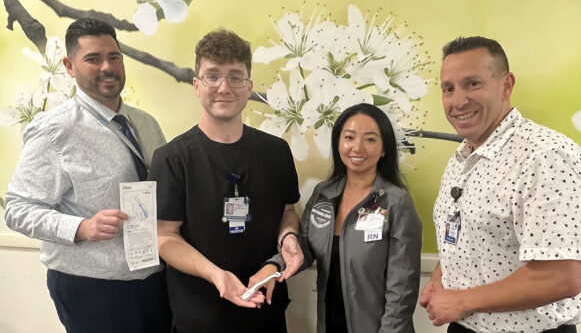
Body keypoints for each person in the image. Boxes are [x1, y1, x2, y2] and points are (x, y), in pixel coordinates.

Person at [419, 36, 581, 333]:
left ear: (506, 85)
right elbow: (470, 234)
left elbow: (561, 276)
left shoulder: (546, 156)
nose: (458, 100)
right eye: (448, 89)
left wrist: (461, 301)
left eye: (472, 84)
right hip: (465, 326)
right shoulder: (462, 159)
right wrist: (441, 276)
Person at [4, 18, 170, 332]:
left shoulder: (146, 123)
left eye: (114, 57)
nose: (107, 66)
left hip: (153, 279)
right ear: (69, 66)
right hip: (94, 288)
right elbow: (17, 209)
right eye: (93, 59)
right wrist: (82, 227)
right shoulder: (54, 130)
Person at [148, 29, 303, 333]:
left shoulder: (276, 152)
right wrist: (217, 275)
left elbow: (287, 212)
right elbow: (164, 237)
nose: (224, 87)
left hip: (265, 308)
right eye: (212, 75)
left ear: (249, 87)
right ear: (196, 85)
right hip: (200, 315)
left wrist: (288, 239)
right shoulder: (171, 159)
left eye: (235, 77)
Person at [264, 103, 422, 333]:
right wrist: (274, 265)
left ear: (384, 149)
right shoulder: (323, 194)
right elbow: (304, 248)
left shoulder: (396, 203)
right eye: (349, 137)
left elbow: (402, 289)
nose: (357, 147)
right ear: (338, 143)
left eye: (370, 139)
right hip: (329, 324)